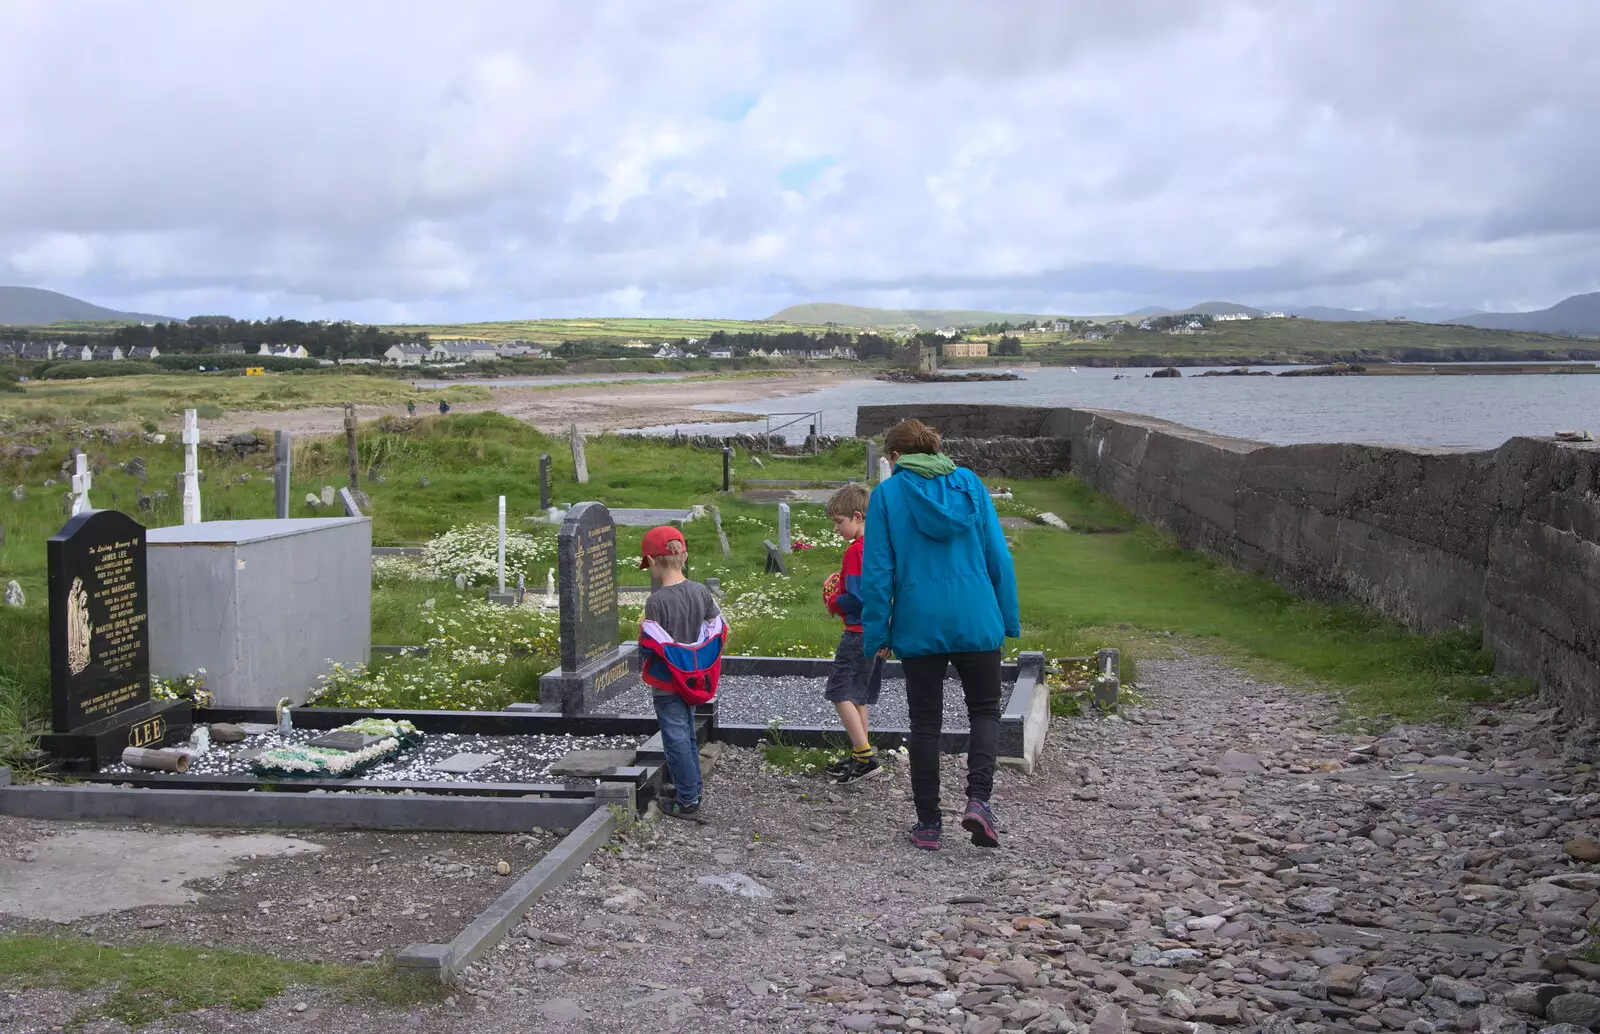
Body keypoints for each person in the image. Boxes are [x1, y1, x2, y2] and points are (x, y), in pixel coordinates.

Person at [861, 419, 1020, 851]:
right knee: (984, 712)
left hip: (919, 619)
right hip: (976, 613)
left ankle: (929, 824)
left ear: (894, 458)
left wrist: (875, 635)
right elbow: (998, 557)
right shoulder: (969, 483)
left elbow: (877, 572)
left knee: (925, 723)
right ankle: (978, 802)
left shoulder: (887, 496)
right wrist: (1006, 619)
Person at [636, 526, 726, 820]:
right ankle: (692, 789)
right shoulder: (700, 591)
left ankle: (688, 801)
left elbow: (650, 647)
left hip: (667, 683)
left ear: (650, 561)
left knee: (675, 739)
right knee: (687, 735)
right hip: (695, 679)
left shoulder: (656, 602)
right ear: (684, 557)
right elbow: (716, 627)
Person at [821, 482, 885, 785]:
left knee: (839, 692)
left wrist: (834, 600)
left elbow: (859, 596)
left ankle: (865, 757)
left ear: (857, 516)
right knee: (858, 695)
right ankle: (861, 753)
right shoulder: (879, 546)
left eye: (839, 522)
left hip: (857, 632)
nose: (837, 529)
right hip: (874, 632)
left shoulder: (855, 552)